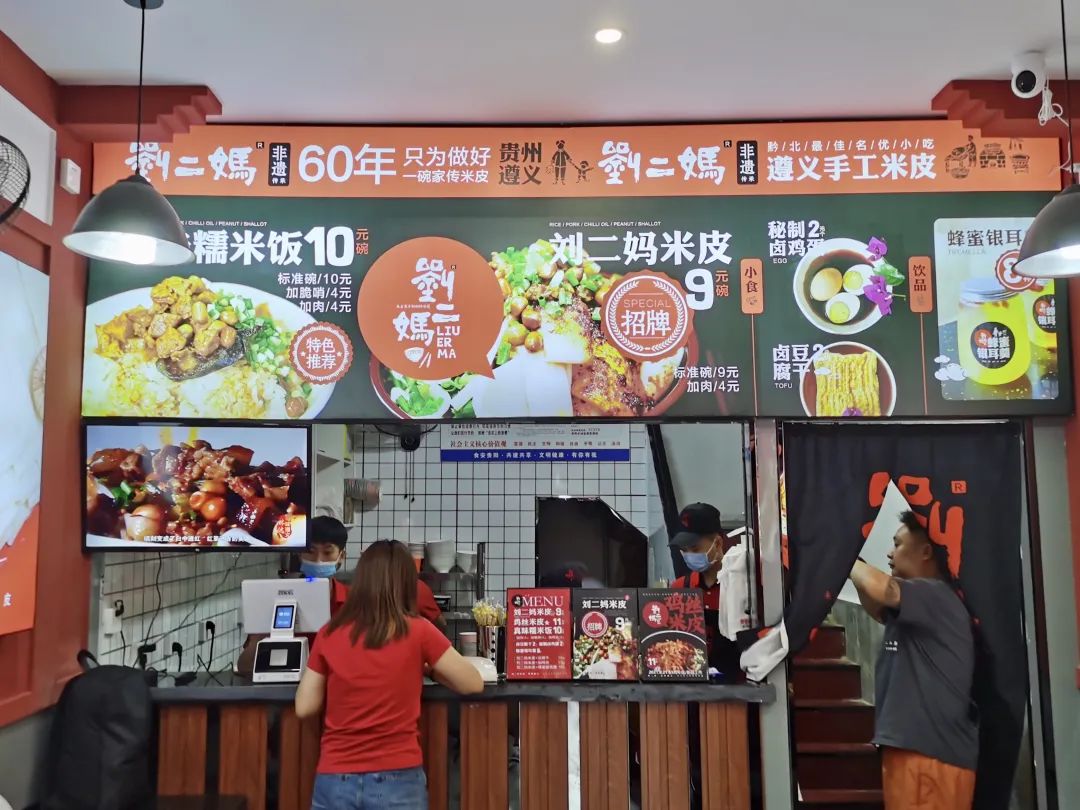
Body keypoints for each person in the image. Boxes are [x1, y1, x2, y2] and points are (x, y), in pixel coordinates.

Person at [296, 540, 483, 810]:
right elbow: (473, 683)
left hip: (335, 778)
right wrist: (429, 668)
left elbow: (304, 707)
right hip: (398, 778)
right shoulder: (419, 630)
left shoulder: (330, 632)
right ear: (407, 583)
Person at [848, 510, 978, 810]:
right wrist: (851, 566)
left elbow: (885, 589)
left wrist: (842, 559)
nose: (890, 553)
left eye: (897, 544)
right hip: (915, 754)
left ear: (926, 552)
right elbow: (876, 605)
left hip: (929, 756)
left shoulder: (935, 595)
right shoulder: (915, 607)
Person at [238, 517, 445, 673]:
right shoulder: (276, 598)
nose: (318, 559)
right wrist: (264, 632)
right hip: (285, 694)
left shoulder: (358, 602)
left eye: (328, 552)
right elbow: (245, 666)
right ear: (300, 554)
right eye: (310, 551)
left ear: (341, 557)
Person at [668, 502, 739, 675]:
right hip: (691, 685)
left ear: (718, 543)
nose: (689, 555)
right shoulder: (679, 588)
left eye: (695, 548)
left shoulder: (742, 586)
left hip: (739, 686)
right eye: (684, 550)